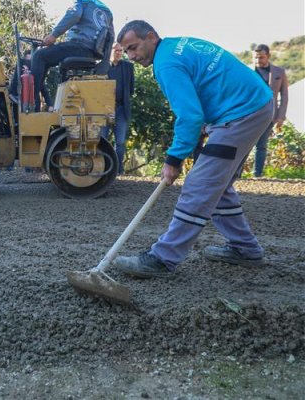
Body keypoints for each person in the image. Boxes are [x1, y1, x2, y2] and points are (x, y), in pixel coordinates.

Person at [111, 21, 273, 278]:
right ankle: (245, 249)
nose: (131, 56)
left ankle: (162, 259)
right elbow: (201, 100)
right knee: (216, 186)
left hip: (242, 112)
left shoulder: (166, 64)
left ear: (151, 37)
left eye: (134, 47)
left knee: (199, 185)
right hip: (252, 105)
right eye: (127, 51)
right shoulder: (175, 47)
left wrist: (173, 159)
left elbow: (189, 115)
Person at [31, 0, 114, 111]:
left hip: (77, 47)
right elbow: (111, 37)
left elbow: (74, 14)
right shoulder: (107, 11)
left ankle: (30, 104)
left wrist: (54, 35)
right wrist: (104, 63)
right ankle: (50, 104)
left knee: (39, 56)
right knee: (46, 61)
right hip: (92, 54)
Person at [251, 44, 288, 177]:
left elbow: (284, 95)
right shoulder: (247, 71)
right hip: (249, 114)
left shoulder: (279, 72)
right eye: (255, 58)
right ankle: (237, 174)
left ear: (268, 56)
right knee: (244, 144)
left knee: (261, 145)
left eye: (261, 57)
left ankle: (257, 174)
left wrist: (281, 116)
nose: (258, 61)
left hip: (270, 114)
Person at [100, 43, 135, 174]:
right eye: (116, 51)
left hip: (121, 109)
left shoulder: (128, 67)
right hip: (104, 110)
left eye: (121, 51)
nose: (119, 53)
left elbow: (131, 89)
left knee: (120, 142)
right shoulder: (102, 67)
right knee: (102, 140)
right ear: (110, 52)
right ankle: (104, 168)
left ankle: (117, 169)